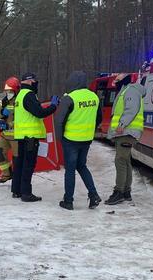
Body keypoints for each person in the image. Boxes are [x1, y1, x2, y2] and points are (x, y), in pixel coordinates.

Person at [53, 71, 102, 210]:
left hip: (71, 139)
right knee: (82, 166)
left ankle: (68, 201)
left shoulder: (69, 98)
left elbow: (58, 120)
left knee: (70, 170)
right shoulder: (94, 97)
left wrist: (59, 138)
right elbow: (99, 117)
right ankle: (93, 195)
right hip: (86, 139)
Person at [11, 72, 58, 202]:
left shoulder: (20, 95)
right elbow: (39, 113)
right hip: (30, 137)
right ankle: (26, 193)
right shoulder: (29, 95)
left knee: (19, 164)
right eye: (35, 81)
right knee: (28, 165)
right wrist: (53, 106)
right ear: (31, 81)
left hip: (21, 136)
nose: (36, 83)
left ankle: (17, 190)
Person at [104, 74, 146, 205]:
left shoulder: (130, 91)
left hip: (127, 132)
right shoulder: (126, 91)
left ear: (122, 81)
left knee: (120, 161)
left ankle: (119, 192)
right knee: (125, 161)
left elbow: (131, 109)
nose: (114, 83)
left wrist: (122, 125)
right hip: (126, 132)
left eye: (116, 80)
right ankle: (126, 192)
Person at [0, 77, 20, 183]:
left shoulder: (20, 100)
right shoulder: (5, 101)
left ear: (16, 90)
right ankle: (7, 173)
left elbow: (24, 119)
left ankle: (18, 181)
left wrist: (10, 125)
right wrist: (2, 112)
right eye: (6, 91)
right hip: (4, 135)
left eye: (10, 91)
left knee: (17, 160)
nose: (8, 93)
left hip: (16, 136)